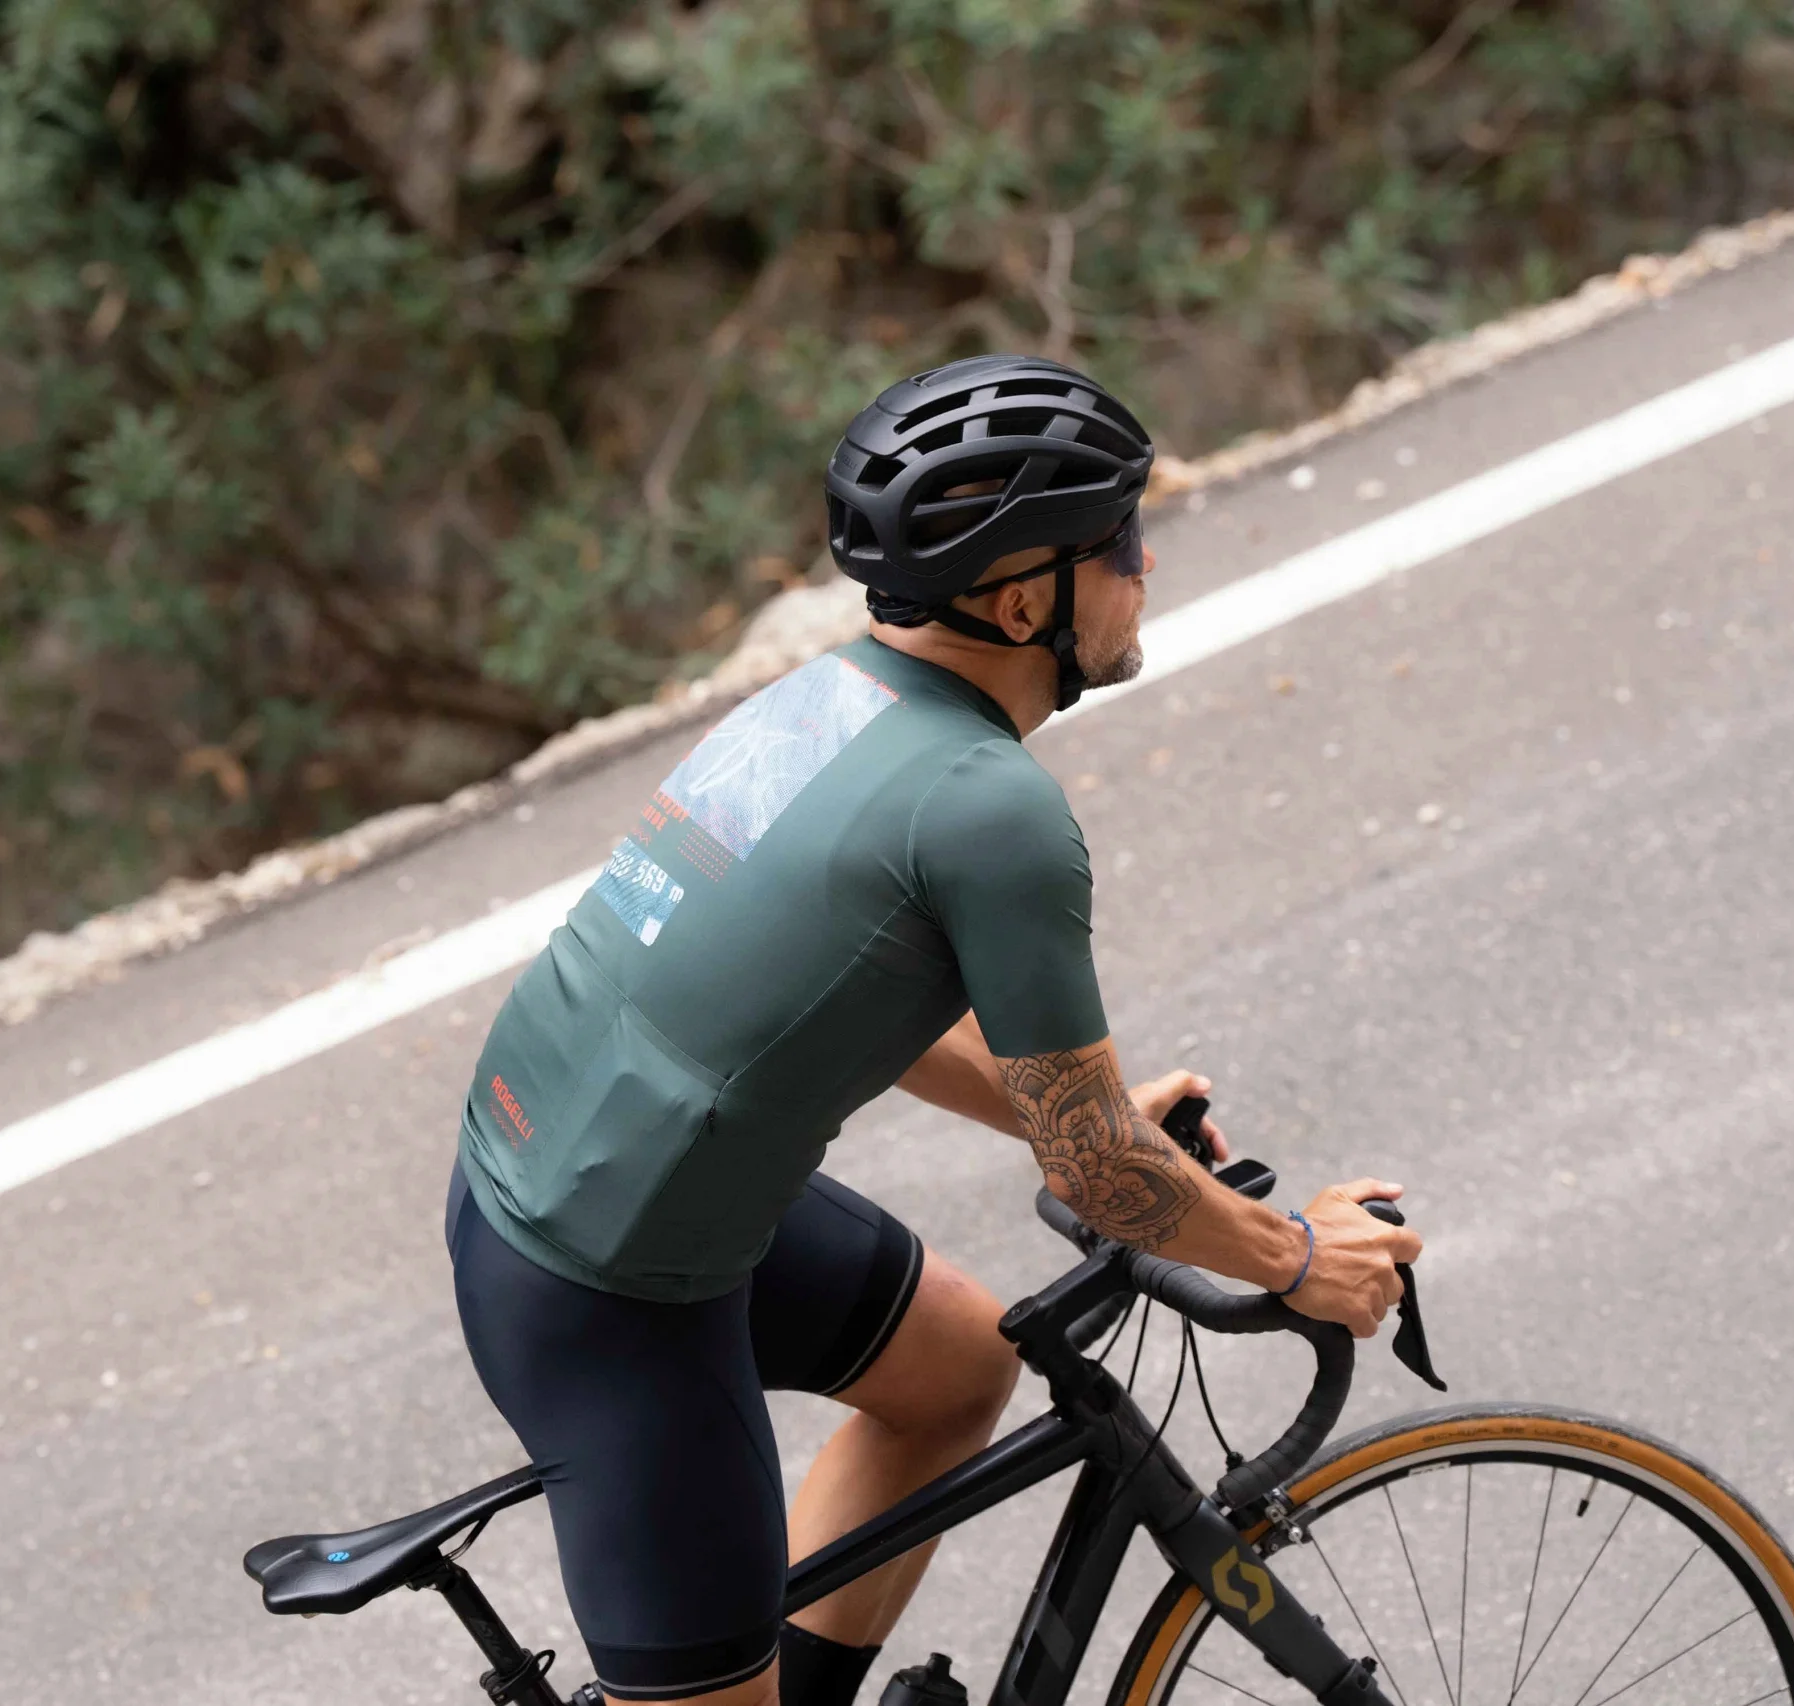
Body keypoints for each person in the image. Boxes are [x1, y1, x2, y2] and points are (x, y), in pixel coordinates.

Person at [444, 355, 1422, 1706]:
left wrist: (1075, 1110)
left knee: (959, 1366)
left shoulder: (826, 701)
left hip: (556, 1175)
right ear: (1023, 602)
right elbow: (1102, 1177)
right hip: (612, 1303)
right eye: (1120, 541)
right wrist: (1297, 1255)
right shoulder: (990, 808)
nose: (1146, 562)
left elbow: (852, 999)